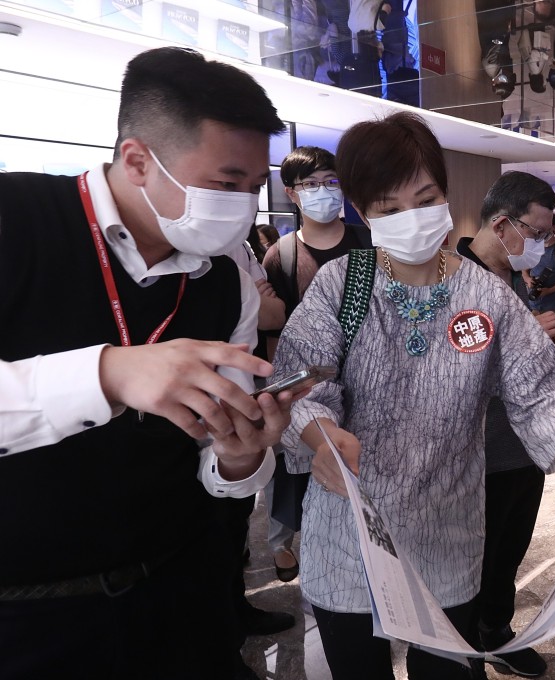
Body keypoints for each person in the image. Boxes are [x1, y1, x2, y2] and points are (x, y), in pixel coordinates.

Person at [271, 112, 555, 680]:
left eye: (425, 198)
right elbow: (302, 381)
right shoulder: (343, 284)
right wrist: (320, 434)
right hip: (350, 531)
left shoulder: (485, 295)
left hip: (447, 530)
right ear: (364, 213)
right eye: (389, 210)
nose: (411, 219)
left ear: (445, 196)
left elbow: (537, 390)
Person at [0, 46, 296, 679]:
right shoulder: (16, 221)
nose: (243, 205)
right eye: (225, 183)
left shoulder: (227, 282)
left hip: (180, 594)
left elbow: (219, 468)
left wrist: (241, 454)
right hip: (25, 618)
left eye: (253, 187)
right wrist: (108, 373)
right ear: (137, 159)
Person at [457, 171, 555, 678]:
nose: (540, 245)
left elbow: (515, 368)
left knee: (510, 548)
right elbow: (445, 369)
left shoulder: (514, 279)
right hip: (475, 448)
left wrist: (544, 347)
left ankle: (498, 631)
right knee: (475, 556)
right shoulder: (452, 277)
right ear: (501, 224)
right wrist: (520, 335)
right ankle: (464, 646)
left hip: (521, 443)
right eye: (535, 234)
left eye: (546, 235)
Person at [261, 145, 371, 582]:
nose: (324, 191)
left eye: (332, 181)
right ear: (292, 193)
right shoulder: (283, 256)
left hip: (365, 383)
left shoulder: (367, 244)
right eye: (312, 184)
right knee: (300, 475)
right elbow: (275, 338)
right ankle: (291, 544)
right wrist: (283, 395)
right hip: (306, 389)